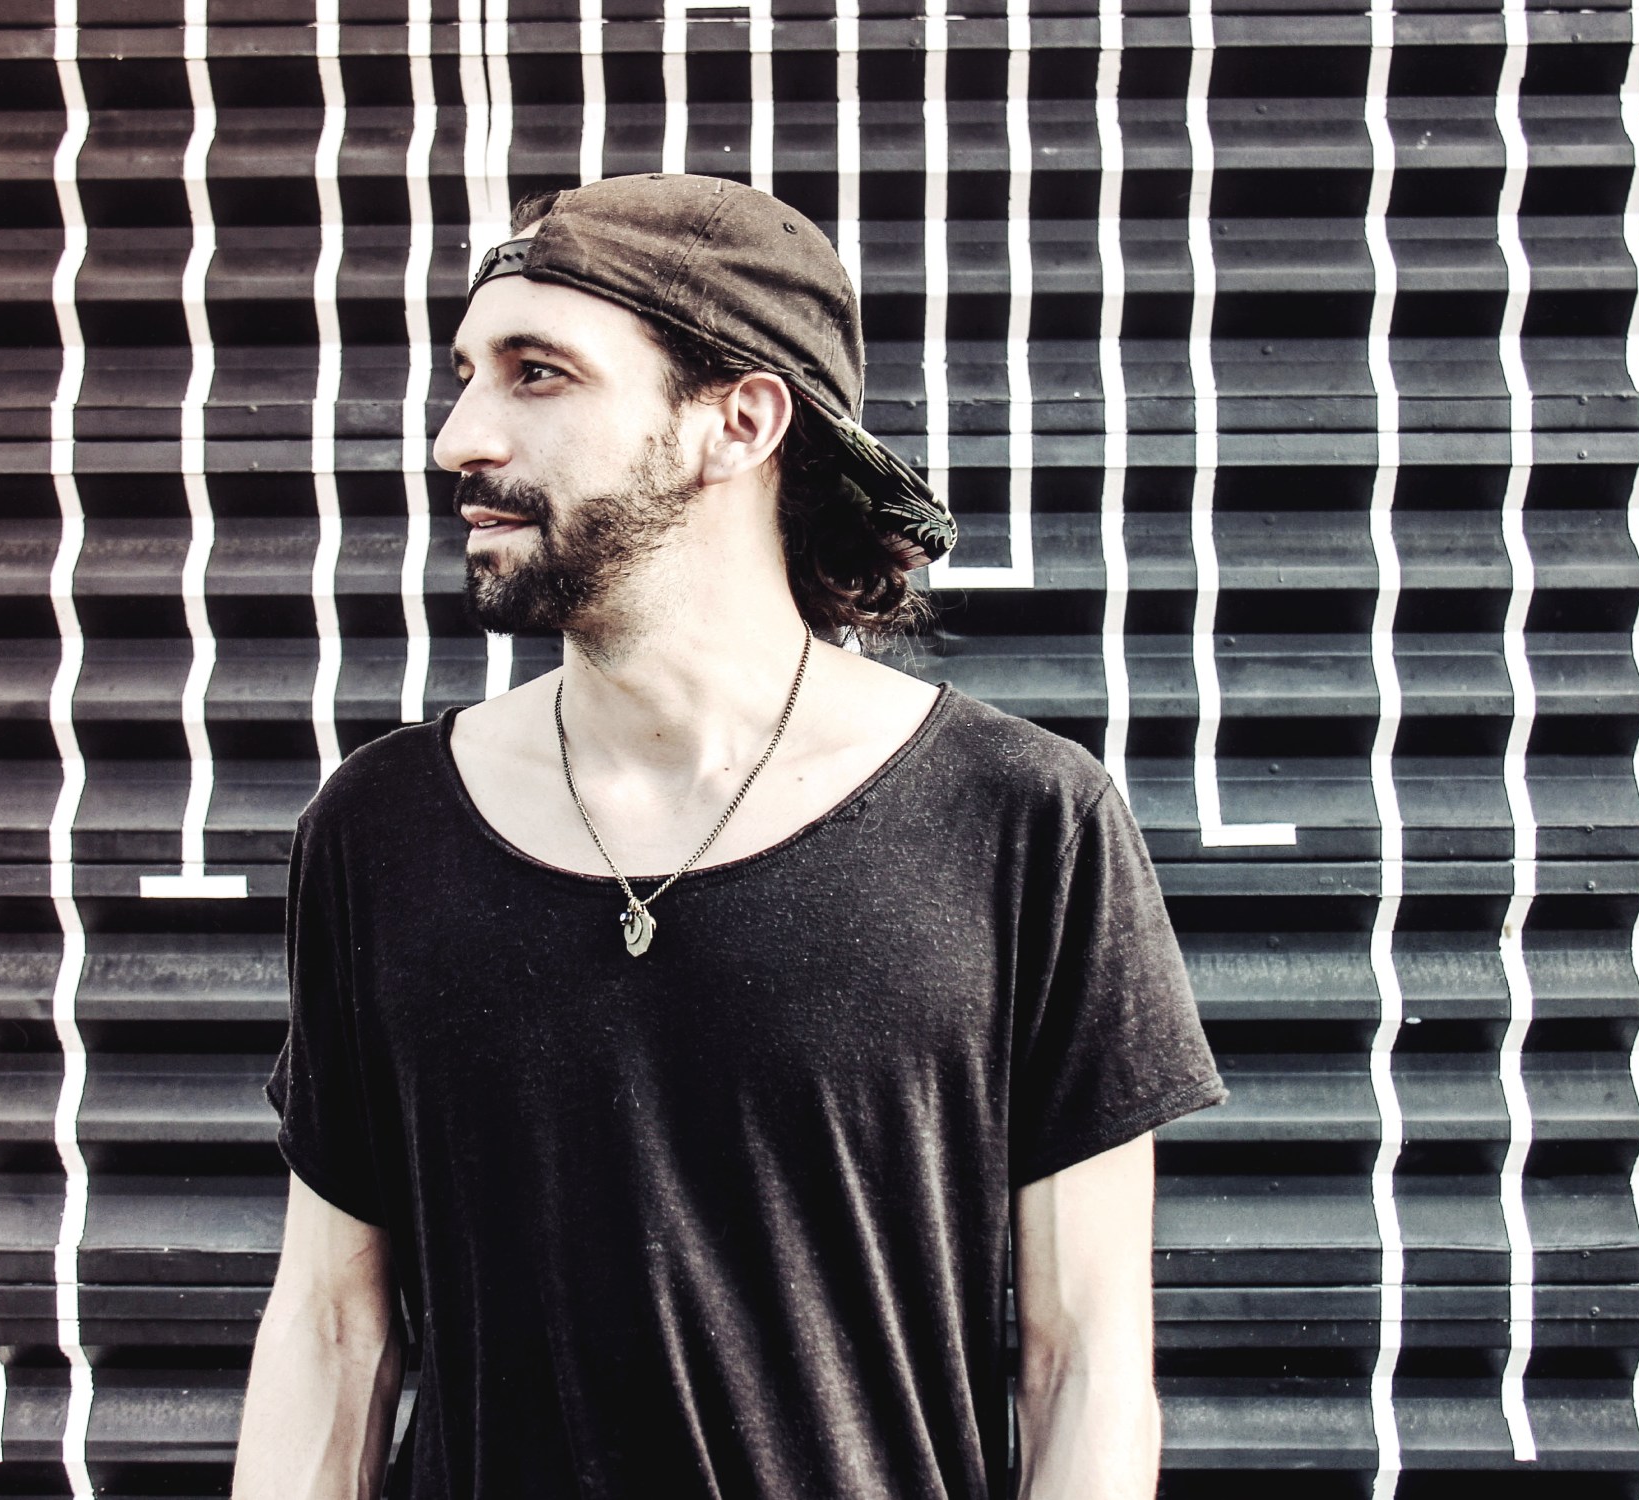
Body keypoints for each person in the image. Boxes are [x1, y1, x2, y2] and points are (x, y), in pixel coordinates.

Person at [232, 173, 1225, 1500]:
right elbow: (330, 1328)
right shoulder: (383, 826)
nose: (459, 437)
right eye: (466, 376)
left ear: (738, 422)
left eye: (538, 374)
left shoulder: (1022, 821)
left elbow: (1085, 1365)